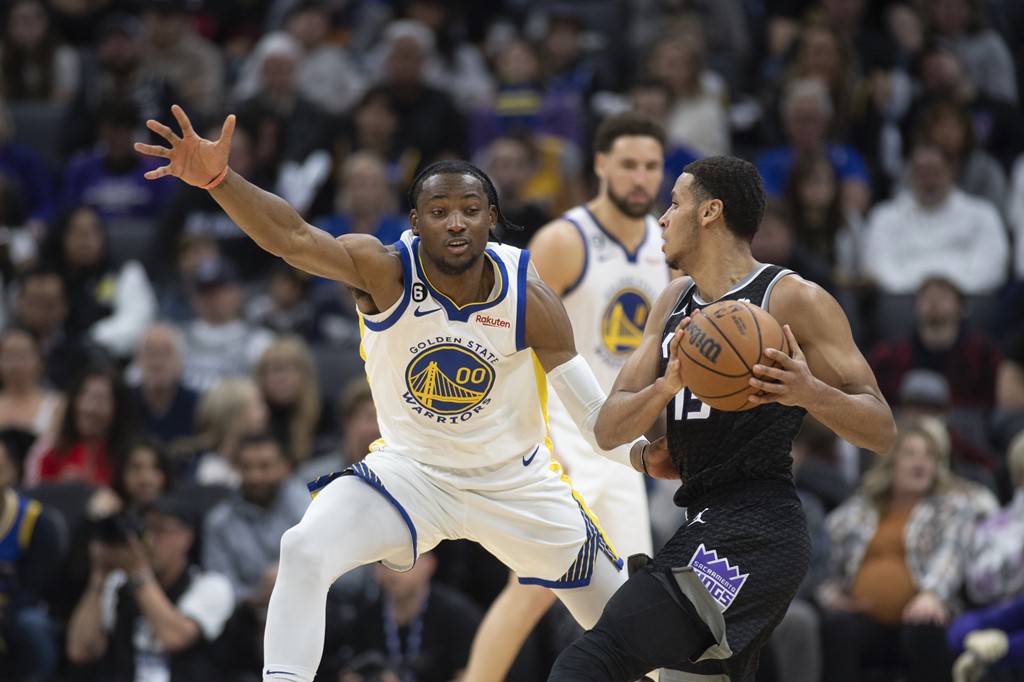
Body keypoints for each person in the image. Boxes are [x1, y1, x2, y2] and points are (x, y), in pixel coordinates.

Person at [135, 105, 631, 682]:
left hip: (516, 481)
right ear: (414, 221)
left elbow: (595, 415)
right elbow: (293, 238)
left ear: (492, 218)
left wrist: (649, 453)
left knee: (632, 630)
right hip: (411, 474)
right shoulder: (384, 270)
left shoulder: (530, 297)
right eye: (439, 211)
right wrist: (221, 181)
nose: (455, 223)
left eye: (470, 210)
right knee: (302, 549)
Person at [548, 156, 897, 681]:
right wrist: (666, 389)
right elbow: (608, 427)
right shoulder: (671, 302)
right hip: (702, 515)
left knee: (597, 655)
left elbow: (883, 431)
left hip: (755, 527)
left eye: (675, 203)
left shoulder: (792, 299)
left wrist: (809, 391)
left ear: (710, 212)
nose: (662, 218)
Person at [464, 110, 669, 681]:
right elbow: (508, 339)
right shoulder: (565, 240)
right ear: (601, 165)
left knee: (634, 594)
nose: (640, 178)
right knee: (531, 587)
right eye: (628, 164)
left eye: (651, 166)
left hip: (622, 441)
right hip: (561, 434)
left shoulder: (668, 243)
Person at [818, 415, 976, 682]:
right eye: (910, 454)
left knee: (926, 626)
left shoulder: (949, 507)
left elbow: (950, 556)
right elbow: (826, 564)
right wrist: (833, 596)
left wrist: (932, 594)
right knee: (837, 626)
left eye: (929, 456)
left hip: (918, 618)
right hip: (867, 620)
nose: (920, 462)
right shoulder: (858, 511)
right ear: (890, 463)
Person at [65, 492, 234, 681]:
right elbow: (81, 651)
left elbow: (174, 638)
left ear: (187, 537)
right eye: (144, 530)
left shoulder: (210, 585)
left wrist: (139, 573)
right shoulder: (119, 584)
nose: (149, 540)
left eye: (160, 529)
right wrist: (99, 577)